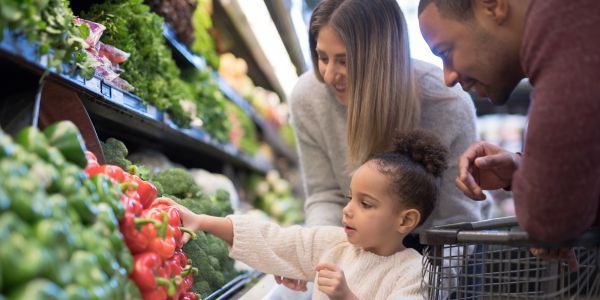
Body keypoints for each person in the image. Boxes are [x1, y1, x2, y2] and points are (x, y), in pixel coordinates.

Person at [165, 130, 448, 300]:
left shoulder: (414, 272)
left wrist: (345, 296)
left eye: (366, 204)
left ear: (405, 220)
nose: (348, 209)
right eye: (350, 198)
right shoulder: (335, 245)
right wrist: (201, 221)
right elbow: (272, 239)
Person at [418, 0, 600, 243]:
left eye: (445, 52)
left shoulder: (566, 28)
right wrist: (521, 169)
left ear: (492, 6)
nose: (448, 77)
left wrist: (541, 190)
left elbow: (548, 219)